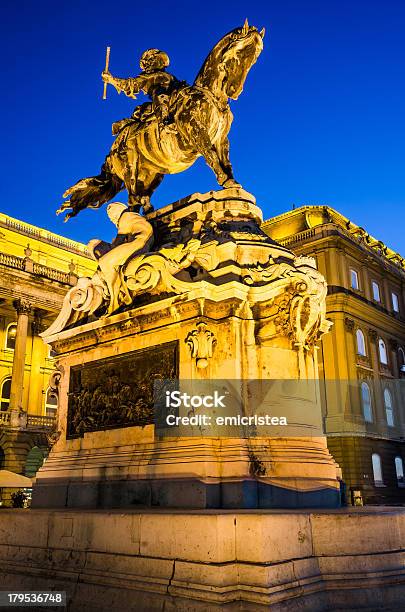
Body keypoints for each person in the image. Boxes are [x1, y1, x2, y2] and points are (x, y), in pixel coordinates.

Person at [102, 48, 184, 134]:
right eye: (148, 61)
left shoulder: (167, 76)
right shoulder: (151, 77)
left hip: (175, 98)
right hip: (162, 102)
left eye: (152, 60)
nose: (149, 64)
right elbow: (131, 84)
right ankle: (165, 122)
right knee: (150, 105)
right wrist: (112, 80)